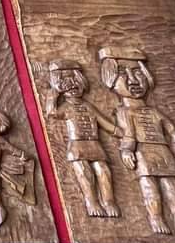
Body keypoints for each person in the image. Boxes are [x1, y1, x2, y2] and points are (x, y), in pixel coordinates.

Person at [100, 46, 175, 235]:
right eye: (123, 73)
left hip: (164, 152)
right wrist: (127, 150)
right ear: (111, 80)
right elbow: (129, 134)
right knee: (149, 186)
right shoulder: (124, 112)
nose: (133, 80)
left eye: (137, 72)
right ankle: (156, 218)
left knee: (171, 187)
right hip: (143, 153)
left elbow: (174, 133)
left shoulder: (154, 112)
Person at [43, 59, 119, 217]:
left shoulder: (88, 106)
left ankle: (109, 201)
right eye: (65, 82)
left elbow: (105, 124)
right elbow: (52, 113)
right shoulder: (66, 107)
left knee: (104, 171)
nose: (71, 85)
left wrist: (122, 133)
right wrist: (52, 96)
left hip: (94, 144)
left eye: (75, 79)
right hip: (77, 145)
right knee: (84, 172)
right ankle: (91, 202)